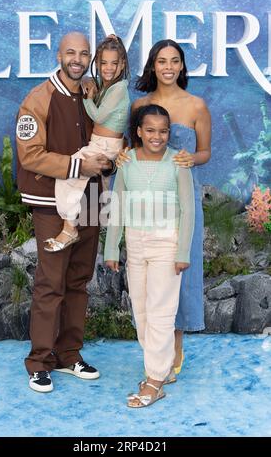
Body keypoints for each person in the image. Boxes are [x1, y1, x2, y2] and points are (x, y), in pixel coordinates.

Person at [16, 31, 114, 392]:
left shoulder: (92, 95)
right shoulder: (38, 99)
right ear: (58, 54)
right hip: (50, 202)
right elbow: (30, 155)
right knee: (50, 282)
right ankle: (40, 361)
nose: (77, 58)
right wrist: (78, 169)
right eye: (71, 52)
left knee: (79, 281)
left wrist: (106, 164)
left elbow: (107, 137)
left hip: (91, 199)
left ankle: (69, 354)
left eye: (84, 53)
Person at [117, 39, 211, 373]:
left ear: (182, 66)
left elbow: (205, 152)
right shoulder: (139, 105)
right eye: (161, 61)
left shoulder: (197, 106)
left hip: (182, 199)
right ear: (153, 67)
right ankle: (155, 352)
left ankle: (175, 350)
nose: (168, 67)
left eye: (174, 61)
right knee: (149, 281)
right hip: (146, 202)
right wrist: (122, 155)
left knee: (179, 271)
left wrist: (191, 157)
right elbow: (130, 148)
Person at [104, 104, 195, 407]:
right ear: (139, 132)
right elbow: (117, 206)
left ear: (169, 133)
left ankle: (154, 380)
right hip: (136, 244)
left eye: (164, 131)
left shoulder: (178, 163)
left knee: (161, 311)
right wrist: (111, 247)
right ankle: (163, 367)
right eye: (151, 130)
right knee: (141, 311)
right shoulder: (127, 162)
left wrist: (182, 251)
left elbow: (188, 210)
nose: (157, 136)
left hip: (166, 246)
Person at [44, 35, 130, 252]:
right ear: (97, 63)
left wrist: (86, 98)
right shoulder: (107, 87)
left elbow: (99, 117)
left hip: (105, 145)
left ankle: (69, 228)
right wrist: (91, 87)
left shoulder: (119, 89)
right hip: (102, 143)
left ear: (122, 65)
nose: (108, 68)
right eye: (103, 63)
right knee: (88, 181)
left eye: (114, 63)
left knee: (69, 174)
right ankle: (102, 219)